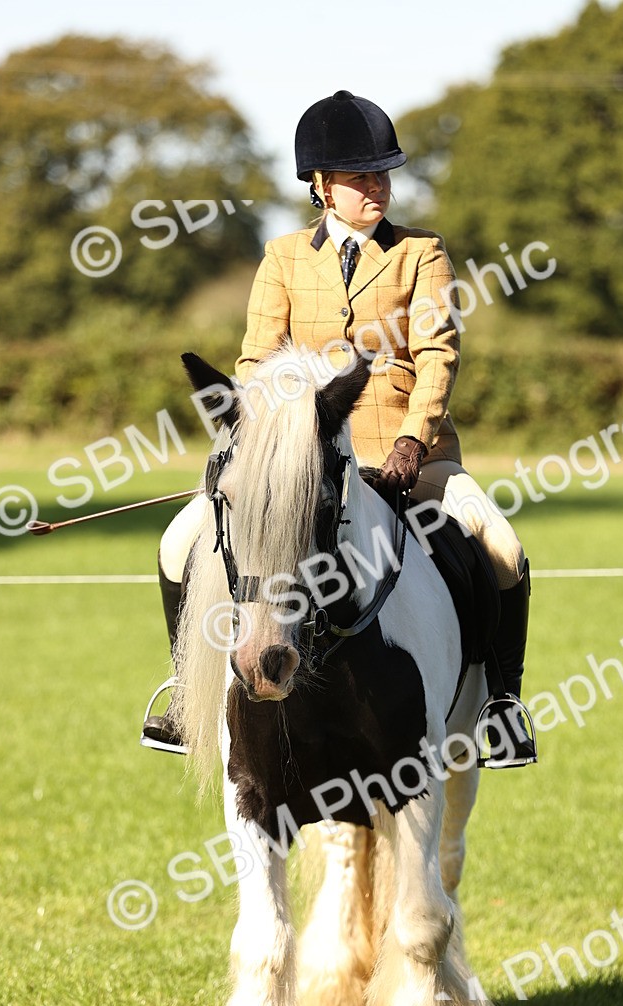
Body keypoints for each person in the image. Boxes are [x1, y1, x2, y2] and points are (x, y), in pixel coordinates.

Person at [141, 89, 535, 767]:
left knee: (502, 547)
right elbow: (255, 363)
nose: (377, 187)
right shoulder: (284, 257)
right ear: (323, 186)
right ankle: (184, 697)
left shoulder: (420, 254)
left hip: (409, 456)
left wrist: (413, 439)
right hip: (305, 458)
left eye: (383, 175)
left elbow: (438, 355)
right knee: (178, 544)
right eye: (361, 177)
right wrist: (264, 445)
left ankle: (501, 703)